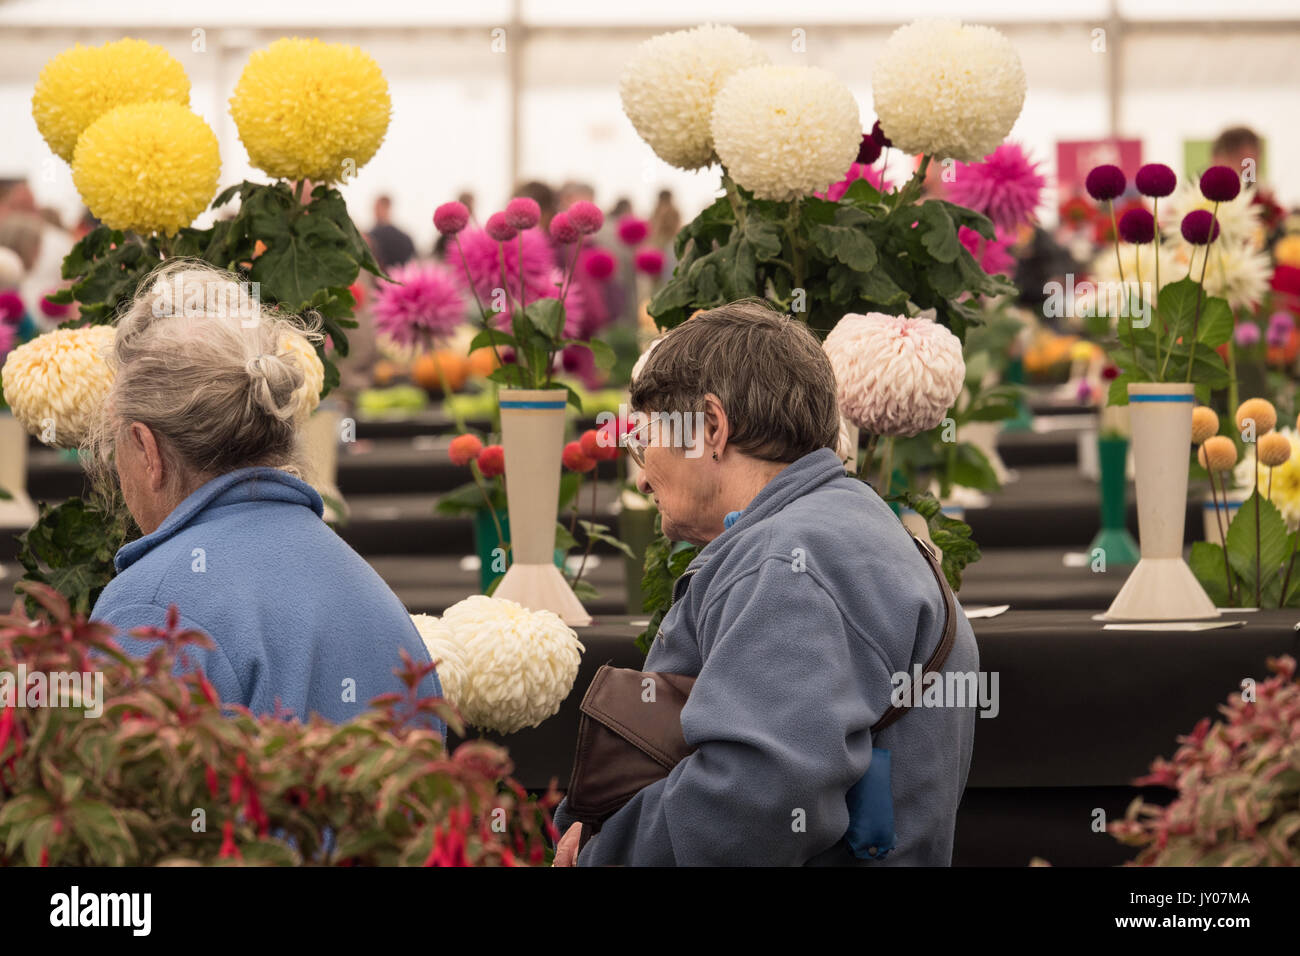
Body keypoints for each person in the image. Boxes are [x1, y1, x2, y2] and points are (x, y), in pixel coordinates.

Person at [552, 299, 978, 866]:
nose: (640, 470)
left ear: (710, 428)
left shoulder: (786, 564)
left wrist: (603, 858)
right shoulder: (844, 529)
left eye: (644, 438)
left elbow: (753, 806)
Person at [87, 261, 444, 732]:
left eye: (117, 445)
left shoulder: (150, 610)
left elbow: (110, 797)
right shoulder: (373, 597)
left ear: (148, 450)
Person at [367, 194, 416, 272]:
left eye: (376, 208)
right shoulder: (405, 237)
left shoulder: (372, 236)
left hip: (380, 280)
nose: (374, 212)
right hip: (402, 281)